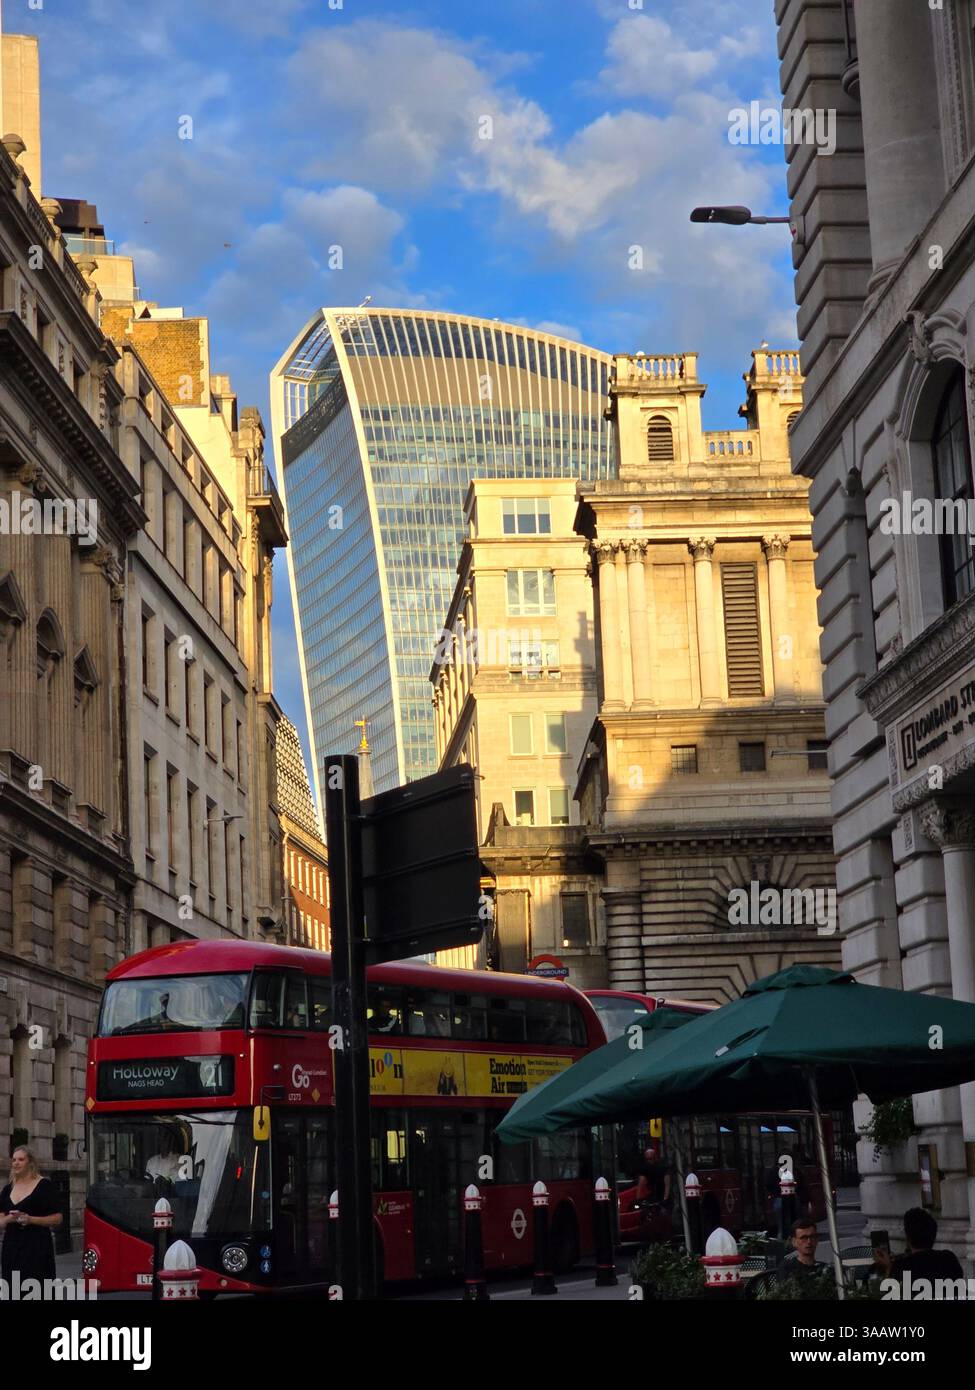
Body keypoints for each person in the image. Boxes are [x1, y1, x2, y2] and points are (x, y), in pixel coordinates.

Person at [0, 1145, 62, 1285]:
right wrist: (10, 1218)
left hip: (37, 1247)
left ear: (30, 1162)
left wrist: (31, 1219)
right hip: (12, 1248)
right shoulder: (7, 1189)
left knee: (36, 1289)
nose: (16, 1163)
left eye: (21, 1159)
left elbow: (57, 1218)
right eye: (14, 1160)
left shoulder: (45, 1186)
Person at [873, 1207, 964, 1281]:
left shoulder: (901, 1268)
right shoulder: (949, 1259)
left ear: (908, 1237)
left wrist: (889, 1268)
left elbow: (888, 1293)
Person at [776, 1217, 834, 1284]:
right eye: (803, 1238)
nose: (809, 1241)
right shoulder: (787, 1268)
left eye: (812, 1237)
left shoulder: (824, 1269)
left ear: (817, 1240)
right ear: (794, 1242)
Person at [635, 1144, 672, 1209]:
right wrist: (638, 1199)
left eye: (650, 1159)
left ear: (655, 1158)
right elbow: (641, 1182)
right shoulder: (645, 1167)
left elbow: (667, 1184)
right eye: (647, 1159)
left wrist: (665, 1198)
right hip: (651, 1194)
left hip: (661, 1193)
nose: (649, 1161)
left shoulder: (662, 1166)